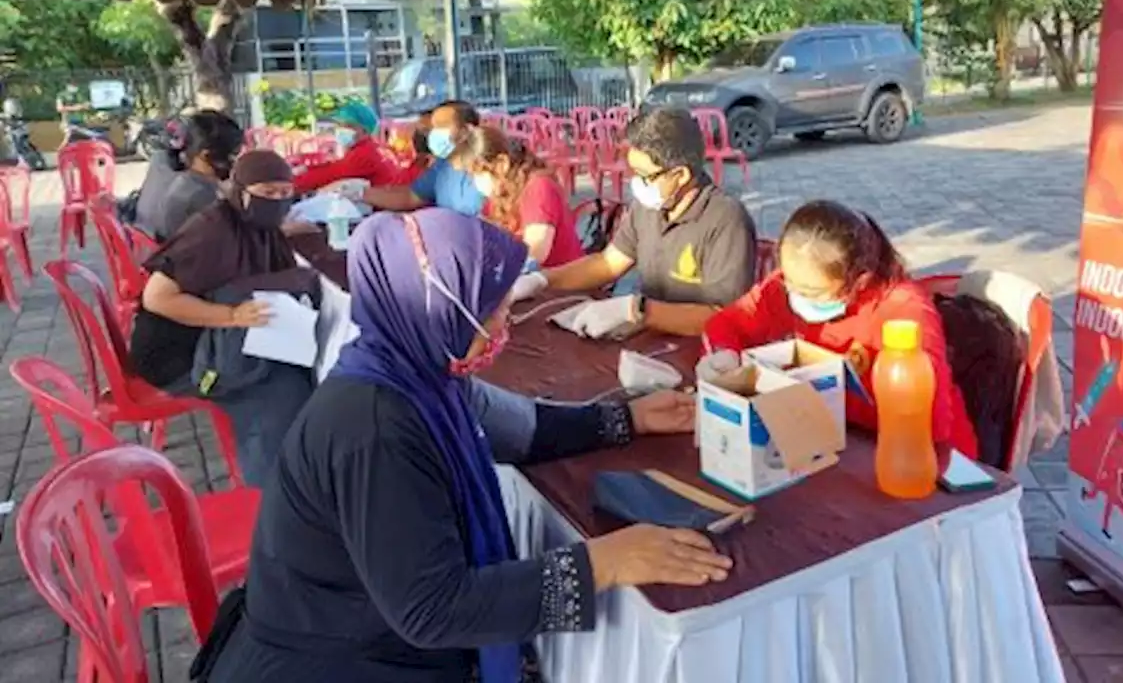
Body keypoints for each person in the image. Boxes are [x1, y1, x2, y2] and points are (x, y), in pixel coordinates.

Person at [197, 209, 732, 683]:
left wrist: (626, 418)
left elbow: (523, 427)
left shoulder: (418, 376)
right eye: (491, 309)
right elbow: (433, 609)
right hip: (342, 661)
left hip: (369, 638)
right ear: (434, 308)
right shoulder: (375, 429)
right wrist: (602, 565)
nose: (503, 325)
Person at [703, 201, 979, 459]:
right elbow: (729, 322)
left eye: (813, 292)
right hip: (828, 441)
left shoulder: (903, 311)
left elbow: (929, 421)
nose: (795, 295)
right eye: (790, 282)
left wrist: (824, 393)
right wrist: (727, 355)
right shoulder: (782, 287)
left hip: (918, 456)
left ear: (860, 282)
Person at [514, 107, 756, 338]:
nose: (636, 184)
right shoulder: (649, 207)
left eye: (644, 176)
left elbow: (721, 315)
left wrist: (637, 310)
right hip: (651, 336)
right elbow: (608, 264)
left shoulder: (725, 219)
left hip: (699, 348)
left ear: (681, 175)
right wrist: (542, 280)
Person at [129, 150, 299, 394]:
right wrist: (230, 316)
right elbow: (156, 298)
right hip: (176, 358)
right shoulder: (212, 231)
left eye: (285, 193)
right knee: (285, 384)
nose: (277, 200)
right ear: (241, 192)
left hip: (208, 335)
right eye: (267, 192)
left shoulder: (256, 225)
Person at [457, 125, 584, 268]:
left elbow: (535, 253)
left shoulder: (539, 188)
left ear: (501, 164)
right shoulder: (499, 194)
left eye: (478, 173)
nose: (475, 181)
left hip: (558, 282)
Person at [361, 100, 483, 215]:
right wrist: (362, 194)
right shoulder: (442, 167)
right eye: (433, 127)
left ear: (465, 131)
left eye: (442, 125)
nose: (434, 133)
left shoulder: (486, 165)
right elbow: (410, 196)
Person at [140, 110, 244, 241]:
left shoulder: (184, 183)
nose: (237, 161)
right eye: (233, 155)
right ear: (206, 155)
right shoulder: (201, 197)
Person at [292, 101, 404, 195]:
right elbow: (335, 168)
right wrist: (306, 169)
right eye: (339, 125)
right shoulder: (372, 149)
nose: (341, 130)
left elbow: (329, 175)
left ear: (365, 131)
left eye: (348, 125)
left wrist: (289, 183)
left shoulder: (365, 154)